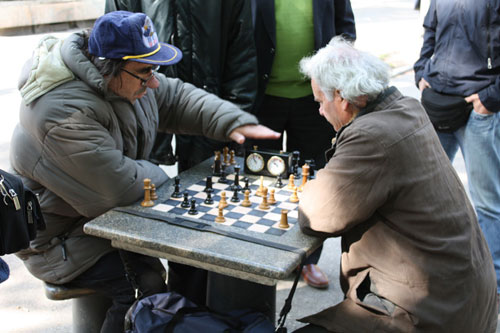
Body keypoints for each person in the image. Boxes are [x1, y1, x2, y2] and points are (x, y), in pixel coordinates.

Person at [9, 11, 279, 333]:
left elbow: (176, 97)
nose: (153, 81)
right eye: (145, 72)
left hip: (100, 219)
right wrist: (174, 182)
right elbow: (118, 190)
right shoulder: (61, 113)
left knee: (195, 257)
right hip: (63, 239)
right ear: (110, 65)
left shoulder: (123, 77)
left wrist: (233, 121)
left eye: (155, 69)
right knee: (144, 290)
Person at [294, 36, 498, 332]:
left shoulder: (370, 136)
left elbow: (316, 215)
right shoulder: (406, 107)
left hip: (427, 314)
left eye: (320, 101)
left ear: (341, 97)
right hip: (465, 299)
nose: (320, 111)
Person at [104, 0, 258, 305]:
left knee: (209, 214)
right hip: (143, 104)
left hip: (205, 111)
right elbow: (113, 50)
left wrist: (231, 117)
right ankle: (168, 304)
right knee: (150, 205)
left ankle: (202, 301)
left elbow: (242, 54)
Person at [250, 0, 356, 290]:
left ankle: (307, 261)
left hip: (314, 102)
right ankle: (260, 251)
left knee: (313, 182)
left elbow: (345, 30)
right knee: (261, 179)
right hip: (263, 99)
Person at [414, 0, 500, 299]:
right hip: (438, 100)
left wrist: (491, 97)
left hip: (480, 107)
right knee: (427, 194)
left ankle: (494, 284)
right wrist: (421, 71)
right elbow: (430, 30)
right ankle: (430, 275)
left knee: (487, 202)